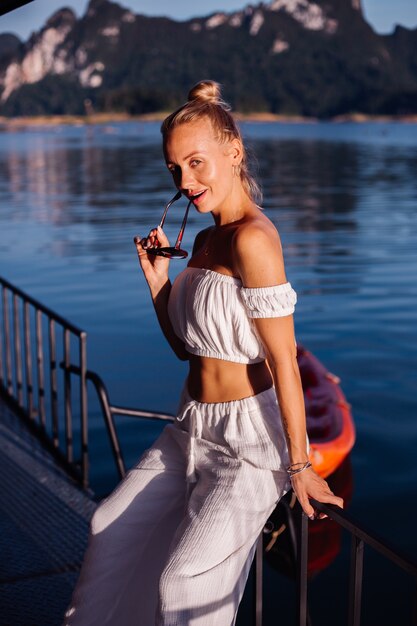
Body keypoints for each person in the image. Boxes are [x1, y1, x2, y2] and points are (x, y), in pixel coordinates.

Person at [63, 80, 343, 626]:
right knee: (108, 528)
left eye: (196, 163)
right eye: (175, 170)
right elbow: (183, 349)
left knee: (185, 578)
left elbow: (284, 361)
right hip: (191, 424)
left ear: (233, 151)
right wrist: (159, 283)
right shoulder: (206, 240)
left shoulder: (252, 240)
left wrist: (300, 464)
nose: (185, 181)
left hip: (248, 443)